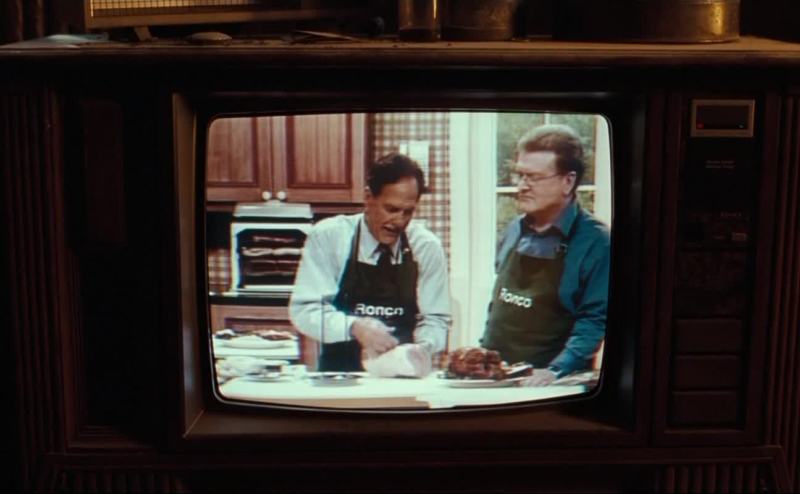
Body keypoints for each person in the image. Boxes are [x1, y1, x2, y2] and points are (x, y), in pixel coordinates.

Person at [289, 153, 451, 373]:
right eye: (391, 209)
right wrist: (355, 327)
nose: (399, 221)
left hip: (401, 378)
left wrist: (422, 349)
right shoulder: (329, 237)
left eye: (408, 212)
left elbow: (435, 319)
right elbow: (305, 311)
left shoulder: (426, 247)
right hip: (339, 377)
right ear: (368, 198)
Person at [481, 124, 610, 386]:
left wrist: (554, 372)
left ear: (568, 181)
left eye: (533, 177)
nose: (521, 186)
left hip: (550, 384)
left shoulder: (596, 242)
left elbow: (593, 321)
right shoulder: (513, 229)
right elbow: (498, 309)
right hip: (496, 379)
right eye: (519, 175)